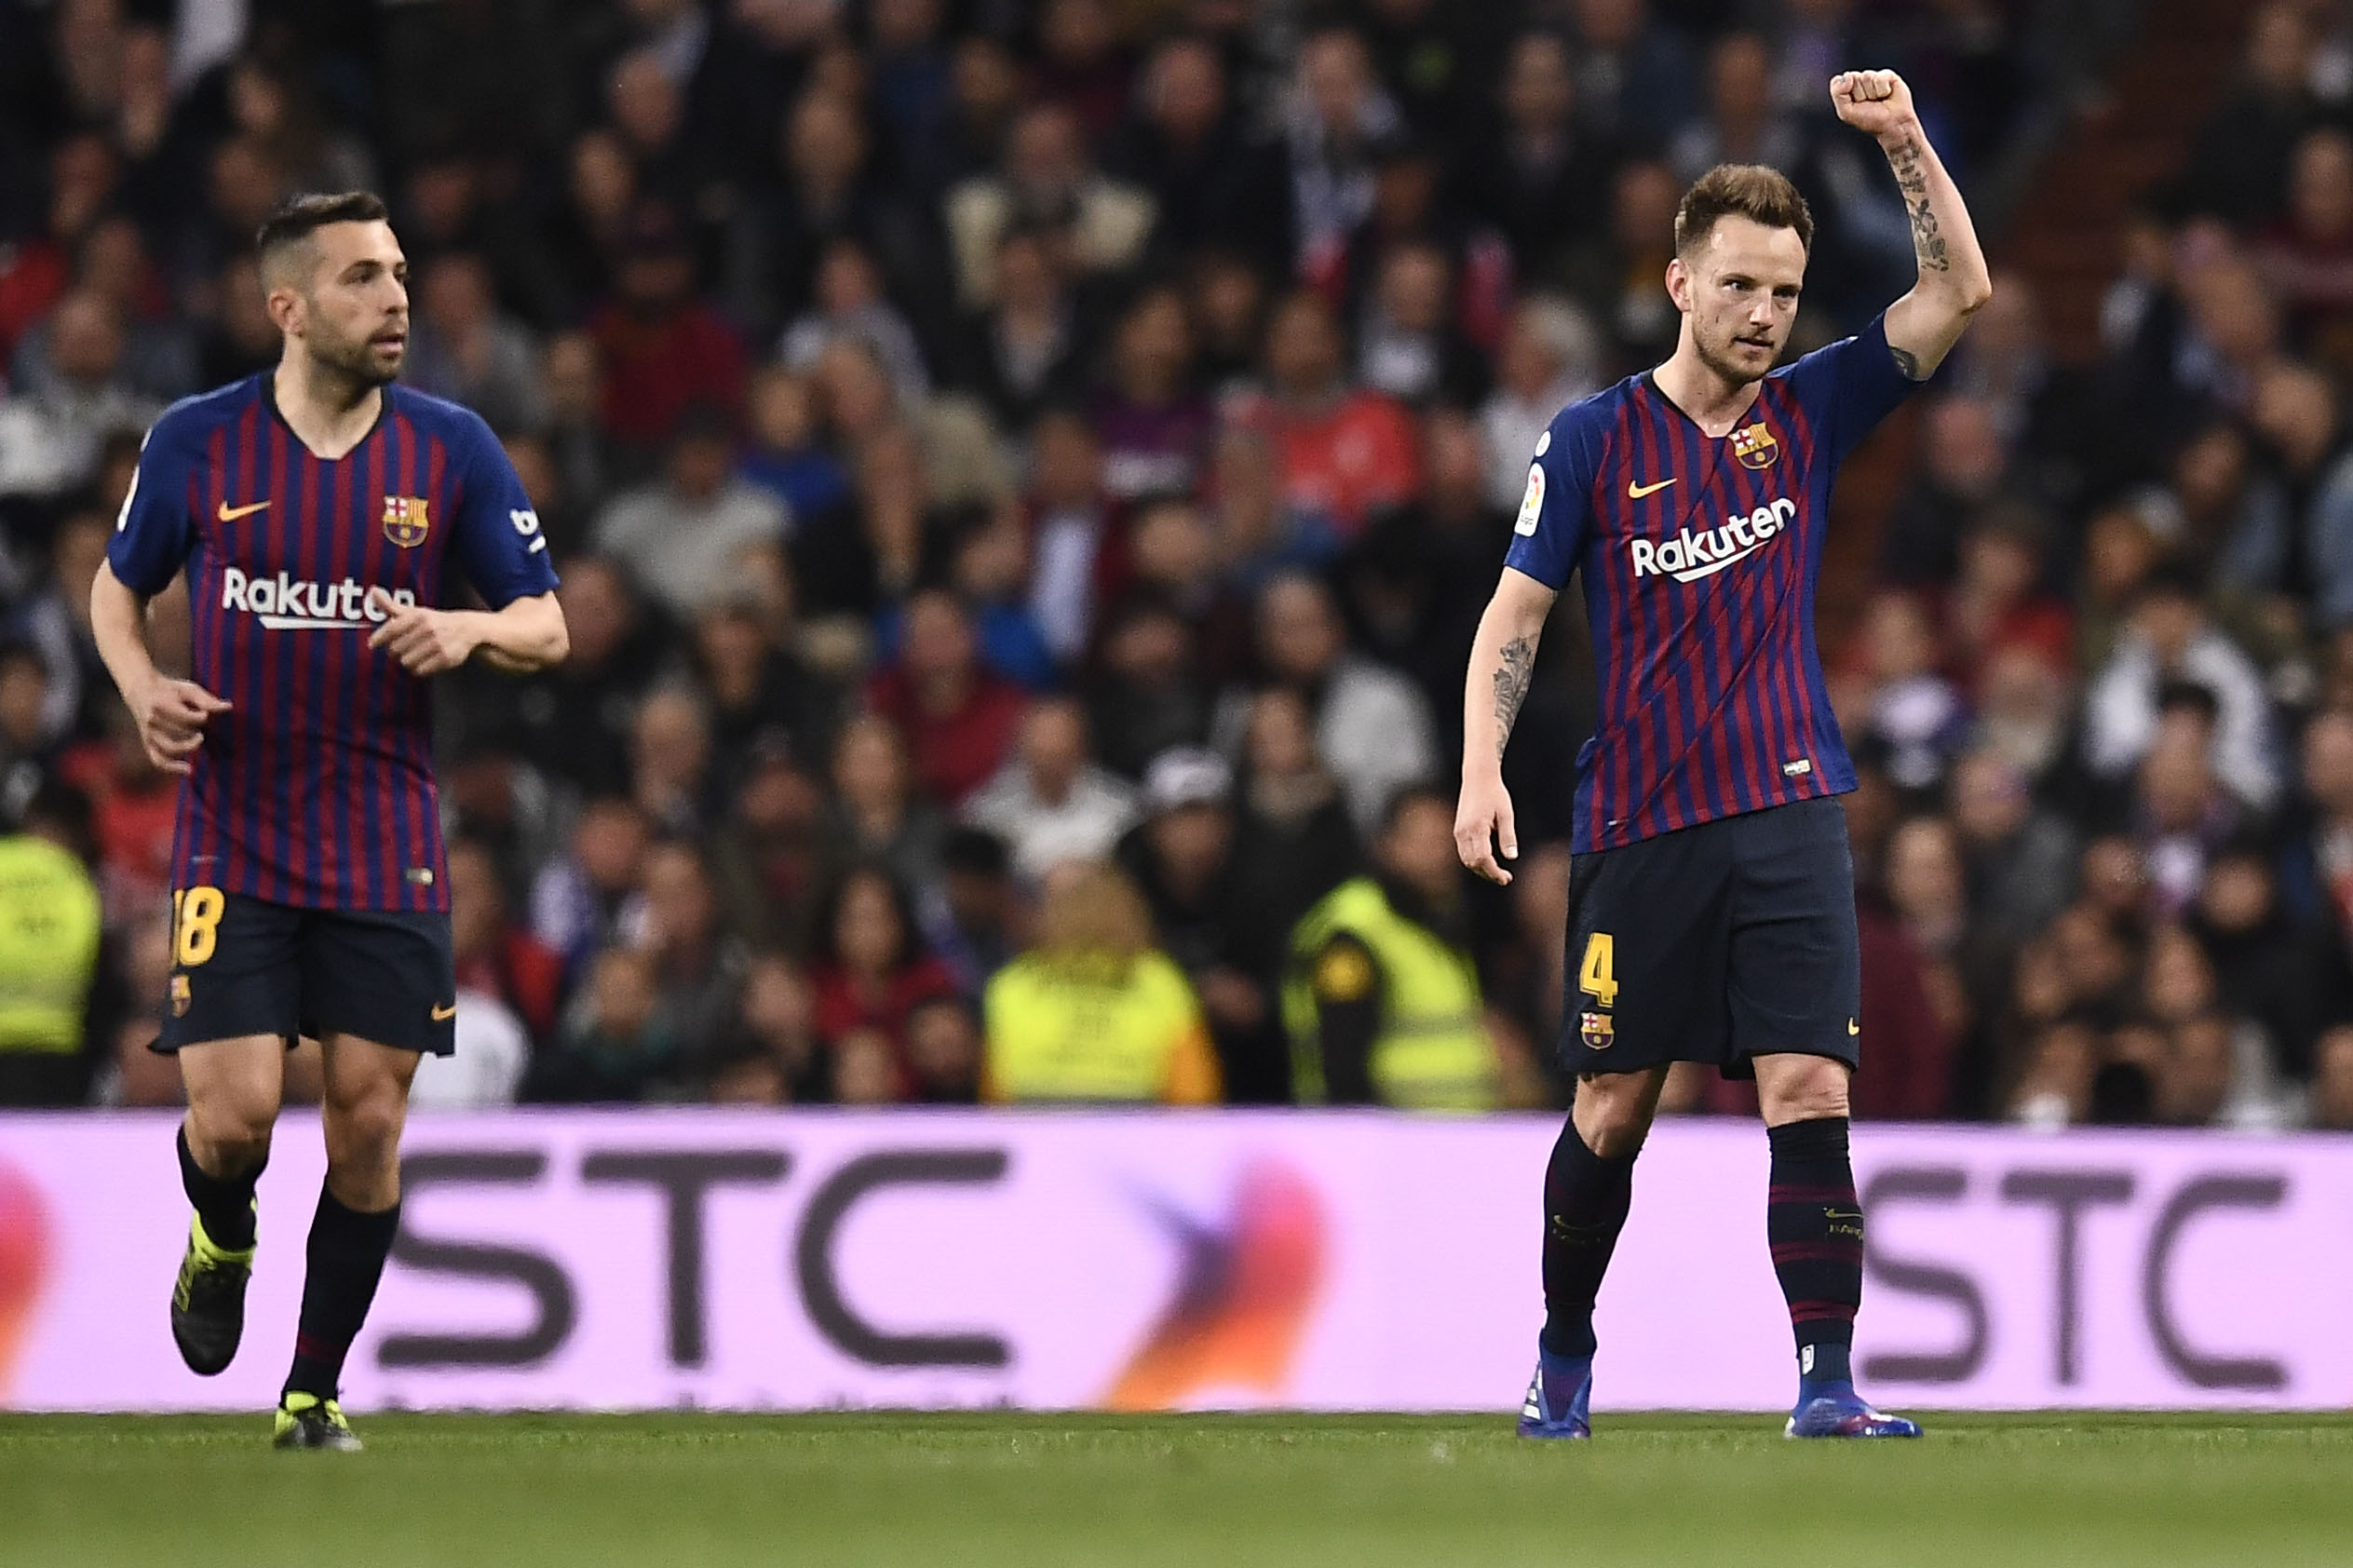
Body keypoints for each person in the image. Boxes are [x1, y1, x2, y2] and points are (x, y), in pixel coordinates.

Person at [1454, 74, 1991, 1441]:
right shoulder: (1589, 439)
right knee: (1612, 1103)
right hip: (1639, 820)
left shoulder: (1808, 410)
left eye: (1784, 292)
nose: (1763, 313)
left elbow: (1956, 293)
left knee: (1807, 1086)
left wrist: (1901, 140)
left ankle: (1825, 1384)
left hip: (1790, 806)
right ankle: (1562, 1354)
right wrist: (1478, 770)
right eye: (1740, 285)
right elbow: (1514, 614)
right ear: (1679, 283)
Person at [88, 193, 569, 1451]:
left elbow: (548, 623)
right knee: (235, 1118)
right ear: (288, 308)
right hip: (236, 826)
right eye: (362, 277)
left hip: (385, 838)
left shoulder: (452, 448)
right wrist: (142, 688)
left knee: (367, 1121)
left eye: (399, 272)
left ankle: (311, 1392)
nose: (396, 298)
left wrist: (468, 625)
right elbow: (116, 589)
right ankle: (221, 1231)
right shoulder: (198, 439)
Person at [1283, 785, 1499, 1111]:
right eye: (1424, 842)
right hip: (1388, 1135)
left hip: (1448, 1130)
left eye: (1447, 841)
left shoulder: (1432, 922)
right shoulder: (1354, 932)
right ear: (1386, 846)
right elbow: (1342, 1060)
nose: (1440, 856)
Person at [981, 859, 1221, 1104]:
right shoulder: (1160, 982)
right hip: (1138, 1126)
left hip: (1037, 1125)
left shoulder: (1012, 985)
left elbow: (995, 1098)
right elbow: (1194, 1095)